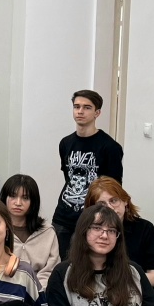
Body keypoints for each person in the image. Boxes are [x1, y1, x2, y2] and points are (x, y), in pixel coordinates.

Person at [51, 89, 123, 253]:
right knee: (59, 261)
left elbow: (114, 188)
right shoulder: (65, 143)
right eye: (77, 107)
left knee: (87, 261)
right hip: (63, 216)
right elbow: (68, 177)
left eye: (87, 107)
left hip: (93, 218)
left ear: (97, 113)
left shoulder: (110, 147)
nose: (80, 111)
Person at [86, 176, 154, 301]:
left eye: (114, 200)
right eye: (102, 204)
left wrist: (116, 281)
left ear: (125, 201)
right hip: (98, 296)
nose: (110, 208)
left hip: (139, 293)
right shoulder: (86, 231)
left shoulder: (144, 228)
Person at [1, 174, 60, 290]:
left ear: (33, 202)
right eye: (13, 196)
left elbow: (51, 270)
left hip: (40, 291)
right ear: (4, 198)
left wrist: (36, 292)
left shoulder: (47, 231)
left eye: (25, 198)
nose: (18, 203)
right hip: (4, 290)